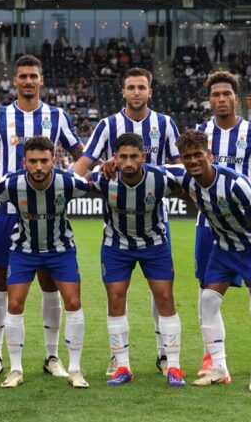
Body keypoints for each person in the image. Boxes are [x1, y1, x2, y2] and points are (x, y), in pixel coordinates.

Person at [0, 55, 84, 379]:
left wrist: (62, 185)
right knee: (1, 282)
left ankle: (52, 357)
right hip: (8, 211)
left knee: (50, 282)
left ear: (41, 79)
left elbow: (81, 155)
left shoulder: (58, 115)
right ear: (15, 81)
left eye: (33, 75)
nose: (28, 81)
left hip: (49, 216)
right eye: (22, 76)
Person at [70, 67, 181, 374]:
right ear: (122, 92)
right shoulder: (108, 125)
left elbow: (178, 166)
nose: (136, 92)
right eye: (130, 86)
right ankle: (119, 357)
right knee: (118, 293)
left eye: (141, 87)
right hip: (118, 219)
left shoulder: (165, 123)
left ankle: (164, 355)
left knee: (162, 292)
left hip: (156, 219)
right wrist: (63, 184)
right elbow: (85, 161)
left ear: (150, 92)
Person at [169, 129, 251, 391]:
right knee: (207, 299)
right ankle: (219, 367)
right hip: (224, 246)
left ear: (209, 155)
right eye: (187, 157)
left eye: (198, 155)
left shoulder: (236, 183)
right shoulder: (187, 180)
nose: (193, 161)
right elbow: (158, 169)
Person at [0, 136, 91, 389]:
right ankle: (15, 369)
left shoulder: (68, 182)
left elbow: (94, 184)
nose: (39, 167)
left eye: (44, 161)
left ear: (53, 160)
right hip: (23, 250)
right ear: (24, 162)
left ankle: (75, 369)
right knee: (15, 303)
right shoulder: (12, 184)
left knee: (74, 302)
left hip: (60, 249)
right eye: (32, 161)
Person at [193, 70, 251, 377]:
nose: (221, 99)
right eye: (215, 95)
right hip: (209, 224)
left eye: (226, 94)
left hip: (247, 223)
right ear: (209, 100)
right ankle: (210, 357)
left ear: (235, 98)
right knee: (206, 288)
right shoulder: (201, 133)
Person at [88, 133, 185, 387]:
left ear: (143, 156)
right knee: (115, 298)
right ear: (115, 158)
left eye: (134, 157)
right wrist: (98, 167)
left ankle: (173, 366)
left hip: (154, 244)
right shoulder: (102, 178)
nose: (129, 162)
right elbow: (74, 181)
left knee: (165, 298)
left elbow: (193, 180)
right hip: (116, 245)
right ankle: (122, 366)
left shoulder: (161, 177)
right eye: (123, 157)